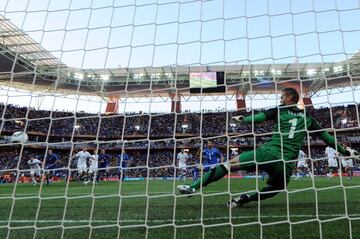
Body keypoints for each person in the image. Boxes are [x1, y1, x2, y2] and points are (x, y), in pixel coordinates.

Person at [177, 87, 357, 208]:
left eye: (282, 97)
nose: (280, 99)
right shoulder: (308, 118)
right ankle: (246, 198)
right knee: (277, 188)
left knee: (227, 165)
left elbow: (260, 117)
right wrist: (345, 151)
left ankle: (193, 188)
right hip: (286, 164)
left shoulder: (280, 110)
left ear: (289, 98)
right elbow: (326, 137)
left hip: (267, 153)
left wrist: (243, 119)